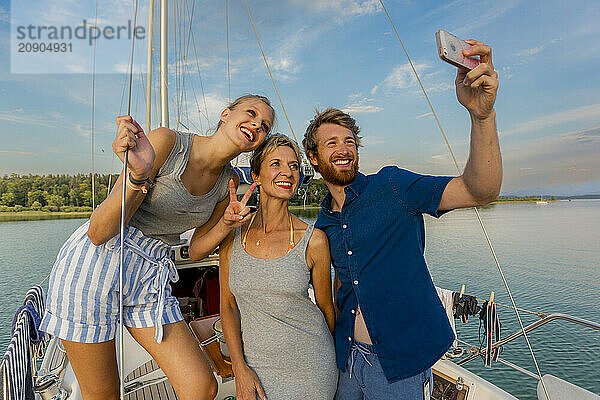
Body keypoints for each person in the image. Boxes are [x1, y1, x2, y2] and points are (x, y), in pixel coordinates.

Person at [39, 94, 274, 400]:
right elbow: (98, 232)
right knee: (103, 395)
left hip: (151, 274)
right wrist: (138, 176)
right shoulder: (168, 142)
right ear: (226, 114)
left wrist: (226, 225)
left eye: (265, 125)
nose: (257, 124)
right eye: (252, 113)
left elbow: (197, 251)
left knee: (201, 387)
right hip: (98, 263)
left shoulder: (227, 182)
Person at [302, 40, 501, 399]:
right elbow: (338, 284)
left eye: (349, 141)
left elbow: (480, 190)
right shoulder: (324, 222)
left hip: (397, 366)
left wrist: (481, 116)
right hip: (346, 358)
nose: (344, 149)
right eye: (331, 143)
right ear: (314, 158)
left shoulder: (392, 186)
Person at [219, 134, 338, 400]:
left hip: (311, 367)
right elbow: (227, 306)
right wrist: (239, 368)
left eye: (294, 166)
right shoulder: (232, 235)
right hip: (254, 368)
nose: (288, 172)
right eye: (276, 164)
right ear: (256, 175)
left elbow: (326, 308)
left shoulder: (314, 240)